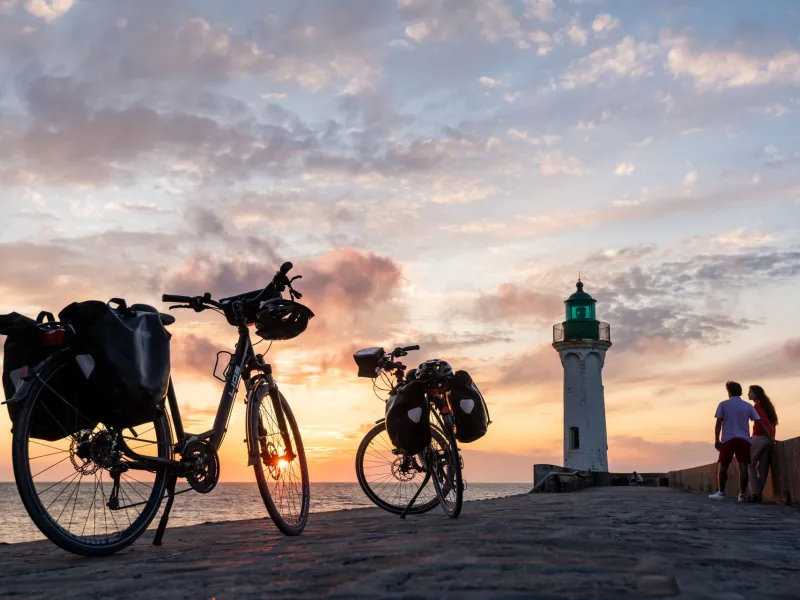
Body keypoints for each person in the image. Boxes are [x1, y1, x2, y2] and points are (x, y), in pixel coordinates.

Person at [709, 381, 774, 502]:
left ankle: (721, 493)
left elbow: (718, 424)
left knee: (723, 466)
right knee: (743, 467)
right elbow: (760, 423)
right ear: (740, 392)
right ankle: (742, 495)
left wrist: (716, 439)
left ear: (729, 392)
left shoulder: (723, 404)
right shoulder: (748, 406)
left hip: (728, 440)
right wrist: (770, 438)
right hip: (744, 440)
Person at [747, 385, 778, 503]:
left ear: (756, 394)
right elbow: (772, 424)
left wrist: (767, 436)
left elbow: (761, 423)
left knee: (750, 465)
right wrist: (771, 438)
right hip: (768, 440)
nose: (748, 395)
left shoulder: (757, 406)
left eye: (750, 392)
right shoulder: (768, 407)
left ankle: (756, 494)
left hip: (759, 437)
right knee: (763, 467)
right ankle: (757, 493)